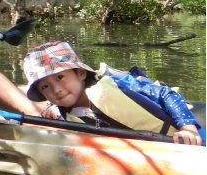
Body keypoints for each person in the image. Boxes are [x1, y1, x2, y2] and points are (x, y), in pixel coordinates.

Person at [23, 41, 204, 145]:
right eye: (45, 87)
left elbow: (165, 94)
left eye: (60, 77)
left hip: (188, 139)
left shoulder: (116, 84)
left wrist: (187, 128)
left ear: (81, 73)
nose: (56, 89)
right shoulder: (62, 114)